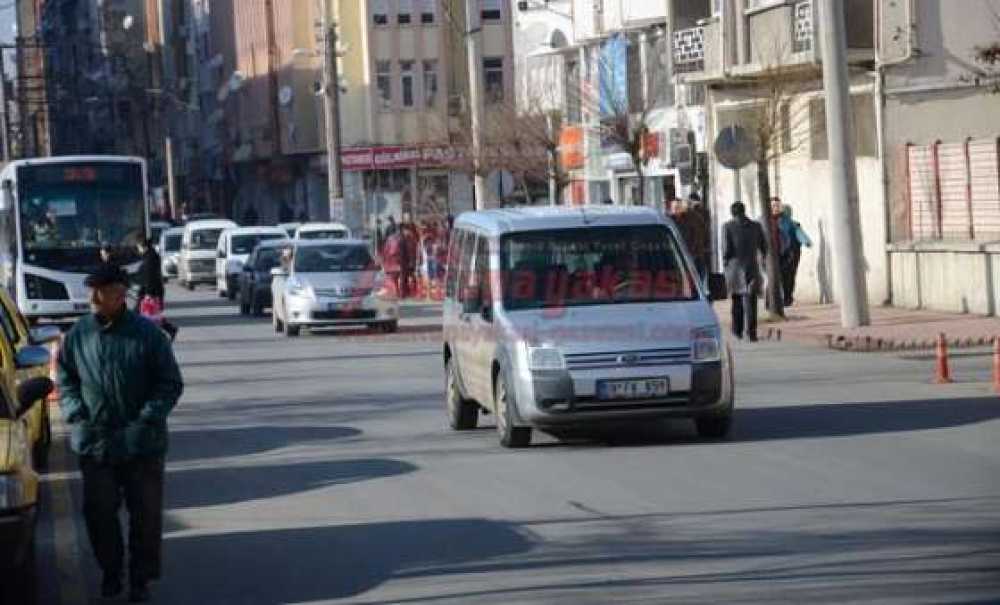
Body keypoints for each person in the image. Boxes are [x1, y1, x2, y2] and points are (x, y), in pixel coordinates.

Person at [56, 264, 183, 602]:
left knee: (145, 515)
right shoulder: (78, 335)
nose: (94, 298)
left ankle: (140, 578)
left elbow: (169, 383)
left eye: (101, 290)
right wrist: (76, 414)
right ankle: (111, 571)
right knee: (99, 513)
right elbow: (65, 380)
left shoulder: (147, 335)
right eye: (91, 290)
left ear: (120, 294)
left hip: (142, 443)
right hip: (95, 441)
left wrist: (146, 420)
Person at [723, 201, 768, 342]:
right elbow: (764, 246)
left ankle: (737, 330)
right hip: (751, 266)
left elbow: (726, 249)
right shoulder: (756, 226)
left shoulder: (727, 227)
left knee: (736, 301)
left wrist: (725, 262)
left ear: (732, 212)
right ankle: (752, 332)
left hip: (734, 268)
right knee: (751, 301)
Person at [135, 238, 178, 341]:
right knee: (152, 314)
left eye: (138, 247)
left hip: (150, 292)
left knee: (144, 314)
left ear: (142, 246)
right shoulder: (150, 256)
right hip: (150, 291)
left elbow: (150, 277)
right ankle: (169, 329)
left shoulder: (150, 258)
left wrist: (148, 293)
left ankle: (168, 329)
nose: (138, 250)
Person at [778, 204, 812, 306]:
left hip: (781, 254)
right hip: (793, 254)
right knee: (790, 276)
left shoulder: (777, 223)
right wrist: (807, 242)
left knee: (783, 276)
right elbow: (801, 235)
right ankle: (787, 297)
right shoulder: (793, 224)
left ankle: (785, 297)